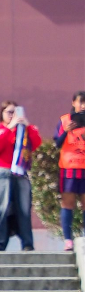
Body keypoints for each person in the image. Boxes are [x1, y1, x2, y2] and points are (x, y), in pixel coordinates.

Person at [0, 100, 41, 251]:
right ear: (2, 114)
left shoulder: (24, 131)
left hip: (21, 172)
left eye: (14, 112)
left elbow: (36, 143)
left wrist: (27, 125)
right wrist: (9, 128)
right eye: (9, 112)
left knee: (23, 208)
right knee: (1, 207)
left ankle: (27, 243)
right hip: (2, 171)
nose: (12, 116)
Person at [54, 91, 85, 251]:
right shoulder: (65, 120)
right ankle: (68, 240)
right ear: (74, 102)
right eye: (81, 102)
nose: (83, 106)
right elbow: (57, 143)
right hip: (69, 168)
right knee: (68, 203)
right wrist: (66, 130)